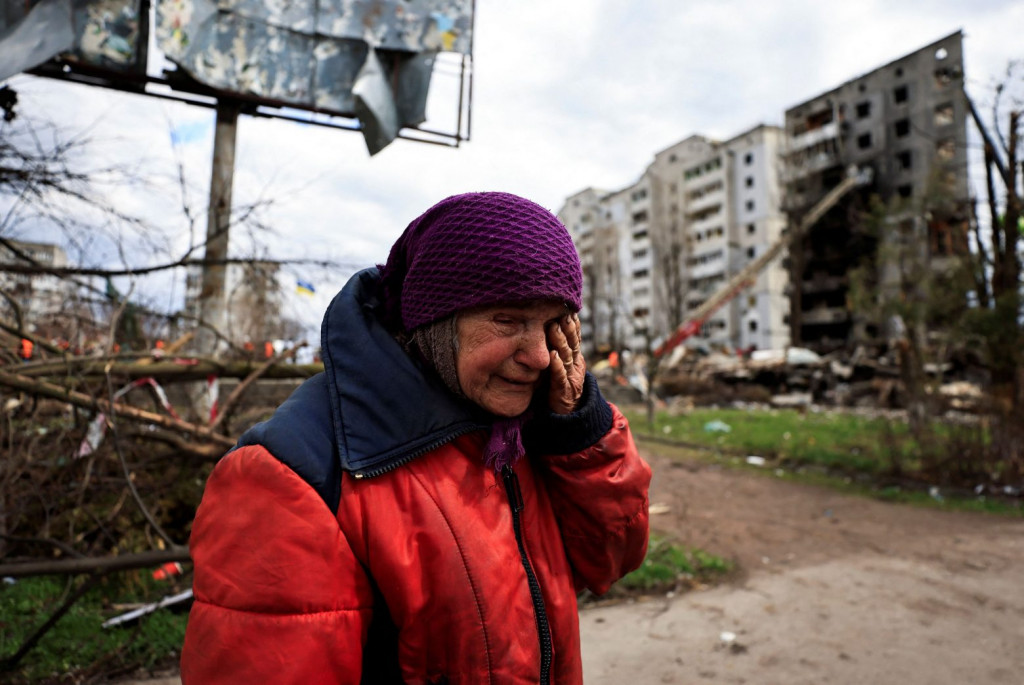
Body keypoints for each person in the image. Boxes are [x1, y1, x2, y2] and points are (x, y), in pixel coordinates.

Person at [180, 192, 652, 684]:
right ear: (432, 320)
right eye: (508, 320)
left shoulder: (523, 432)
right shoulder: (292, 477)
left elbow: (612, 558)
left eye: (554, 324)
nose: (538, 354)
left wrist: (578, 428)